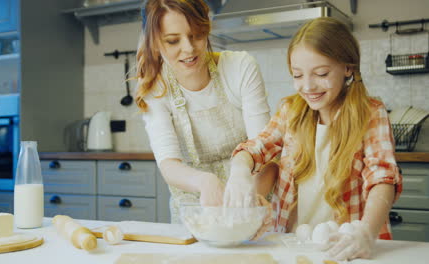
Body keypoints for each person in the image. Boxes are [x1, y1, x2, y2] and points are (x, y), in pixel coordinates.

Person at [224, 17, 402, 260]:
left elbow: (382, 177)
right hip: (294, 245)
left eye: (321, 73)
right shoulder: (290, 110)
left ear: (347, 68)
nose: (307, 86)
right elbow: (257, 147)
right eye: (297, 75)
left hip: (347, 249)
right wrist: (239, 171)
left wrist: (366, 232)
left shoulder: (370, 113)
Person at [135, 0, 277, 223]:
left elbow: (266, 151)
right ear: (154, 43)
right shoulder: (156, 89)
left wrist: (254, 201)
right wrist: (204, 181)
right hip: (194, 215)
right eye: (173, 41)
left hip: (251, 206)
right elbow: (169, 165)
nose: (189, 49)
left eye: (197, 35)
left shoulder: (240, 67)